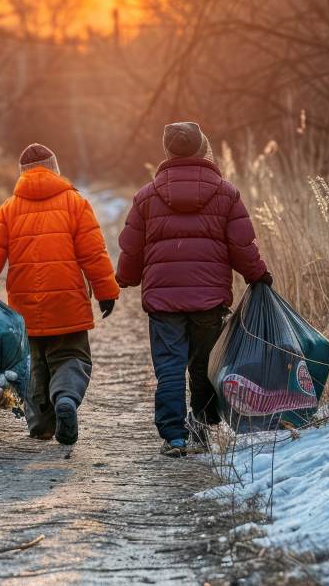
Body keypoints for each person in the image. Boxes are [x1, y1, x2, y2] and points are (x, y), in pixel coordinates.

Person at [116, 122, 272, 458]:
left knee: (169, 367)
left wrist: (125, 277)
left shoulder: (146, 196)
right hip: (209, 299)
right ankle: (202, 424)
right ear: (202, 148)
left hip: (163, 300)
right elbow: (241, 244)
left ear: (167, 151)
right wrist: (257, 274)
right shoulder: (226, 193)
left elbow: (132, 247)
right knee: (204, 365)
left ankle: (174, 437)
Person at [0, 143, 119, 445]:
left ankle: (42, 425)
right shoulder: (76, 203)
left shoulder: (8, 209)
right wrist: (106, 291)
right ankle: (66, 398)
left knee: (33, 364)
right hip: (67, 304)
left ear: (22, 174)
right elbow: (94, 253)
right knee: (71, 356)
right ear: (55, 169)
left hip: (25, 306)